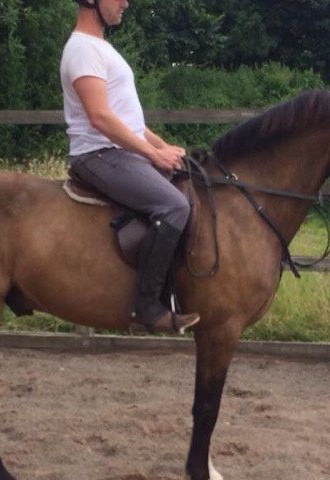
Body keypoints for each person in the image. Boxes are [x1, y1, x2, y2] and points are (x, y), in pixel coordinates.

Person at [60, 0, 200, 334]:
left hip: (120, 150)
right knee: (173, 206)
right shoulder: (81, 49)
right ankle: (147, 307)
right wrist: (153, 156)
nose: (125, 2)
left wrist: (160, 145)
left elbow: (126, 119)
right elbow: (101, 117)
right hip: (99, 154)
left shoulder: (101, 47)